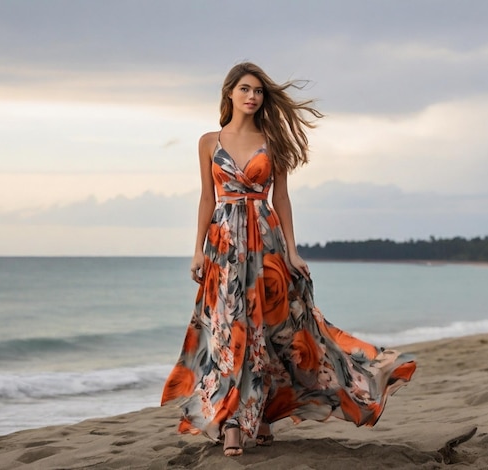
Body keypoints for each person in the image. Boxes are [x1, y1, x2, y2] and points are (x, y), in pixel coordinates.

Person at [161, 62, 416, 457]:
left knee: (273, 333)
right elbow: (207, 198)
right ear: (229, 93)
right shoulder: (209, 141)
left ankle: (259, 416)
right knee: (231, 333)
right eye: (245, 89)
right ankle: (232, 423)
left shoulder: (271, 140)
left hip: (267, 245)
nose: (252, 96)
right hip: (225, 248)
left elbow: (280, 198)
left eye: (258, 91)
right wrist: (197, 249)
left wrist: (293, 251)